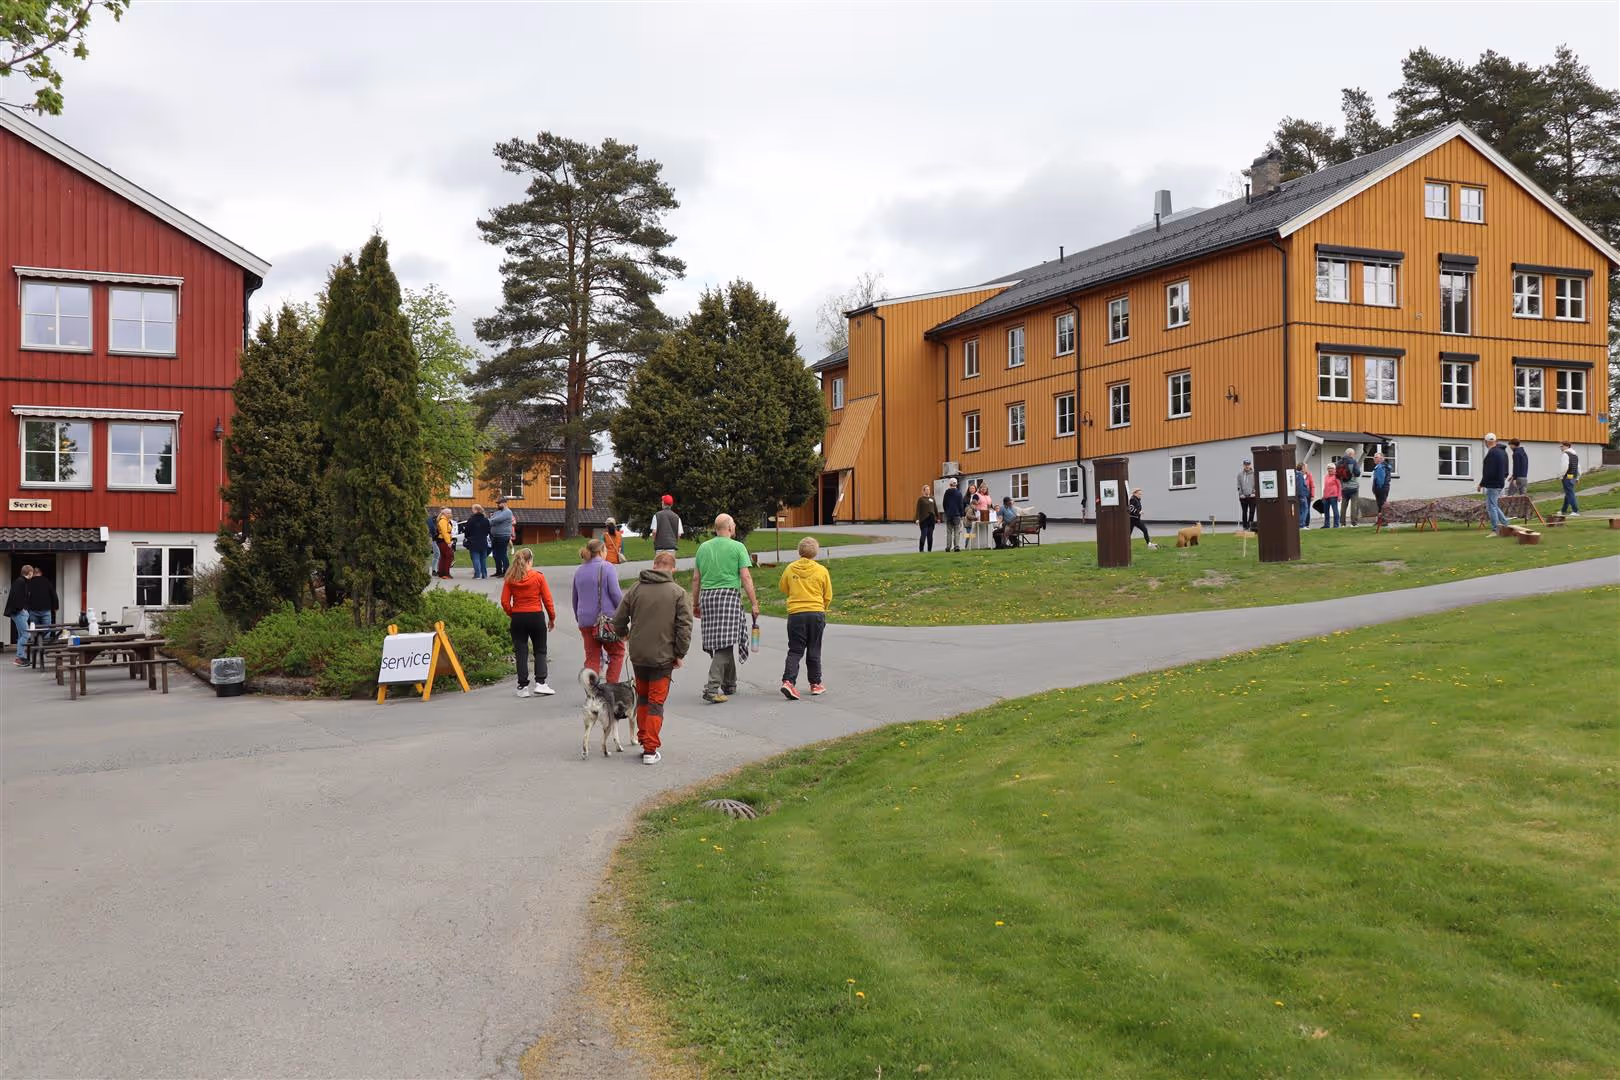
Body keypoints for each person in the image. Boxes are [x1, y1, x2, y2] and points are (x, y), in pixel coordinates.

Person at [611, 550, 692, 765]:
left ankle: (644, 739)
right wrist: (680, 653)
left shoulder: (635, 589)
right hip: (663, 657)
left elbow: (617, 620)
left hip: (638, 656)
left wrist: (626, 636)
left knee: (644, 698)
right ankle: (650, 748)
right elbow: (684, 628)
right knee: (656, 702)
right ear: (673, 568)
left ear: (654, 565)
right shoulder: (678, 593)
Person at [690, 513, 758, 704]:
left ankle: (730, 684)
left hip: (708, 597)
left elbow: (696, 578)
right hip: (728, 596)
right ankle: (712, 688)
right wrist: (754, 603)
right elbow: (745, 577)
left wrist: (695, 603)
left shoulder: (703, 548)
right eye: (734, 524)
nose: (735, 527)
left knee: (723, 639)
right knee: (726, 643)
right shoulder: (738, 547)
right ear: (729, 528)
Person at [778, 536, 832, 700]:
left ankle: (788, 681)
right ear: (816, 552)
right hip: (816, 613)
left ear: (799, 551)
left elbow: (783, 587)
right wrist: (822, 609)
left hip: (796, 614)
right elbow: (827, 595)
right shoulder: (821, 570)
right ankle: (815, 683)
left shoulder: (790, 568)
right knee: (814, 649)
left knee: (795, 649)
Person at [500, 547, 556, 696]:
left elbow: (505, 602)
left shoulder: (510, 578)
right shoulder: (538, 577)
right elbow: (547, 600)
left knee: (521, 651)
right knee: (540, 649)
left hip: (518, 617)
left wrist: (514, 614)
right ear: (530, 560)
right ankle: (541, 683)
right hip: (536, 615)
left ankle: (523, 687)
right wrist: (552, 617)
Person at [572, 538, 626, 684]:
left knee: (592, 657)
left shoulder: (579, 571)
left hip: (585, 621)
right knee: (617, 652)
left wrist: (580, 618)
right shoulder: (607, 567)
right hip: (606, 620)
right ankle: (611, 687)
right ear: (602, 551)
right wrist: (625, 614)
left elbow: (575, 599)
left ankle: (592, 692)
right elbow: (615, 594)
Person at [1478, 433, 1510, 535]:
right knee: (1494, 505)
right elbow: (1506, 469)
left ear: (1486, 442)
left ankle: (1495, 530)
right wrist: (1503, 477)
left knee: (1491, 507)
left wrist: (1481, 484)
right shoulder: (1503, 452)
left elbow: (1488, 472)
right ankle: (1505, 524)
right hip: (1500, 482)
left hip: (1492, 484)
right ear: (1496, 440)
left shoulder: (1492, 453)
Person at [6, 564, 35, 666]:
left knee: (21, 635)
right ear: (29, 573)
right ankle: (19, 657)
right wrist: (22, 609)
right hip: (19, 612)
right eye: (32, 573)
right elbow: (18, 597)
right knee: (25, 634)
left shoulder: (20, 581)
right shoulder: (21, 582)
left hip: (18, 612)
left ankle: (21, 657)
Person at [463, 504, 492, 579]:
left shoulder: (471, 520)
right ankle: (484, 574)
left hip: (473, 541)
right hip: (483, 540)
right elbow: (488, 530)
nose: (472, 511)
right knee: (483, 558)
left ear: (476, 510)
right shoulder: (486, 520)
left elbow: (467, 531)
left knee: (475, 558)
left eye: (472, 509)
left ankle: (477, 574)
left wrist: (467, 537)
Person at [488, 497, 515, 576]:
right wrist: (491, 520)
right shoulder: (497, 512)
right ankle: (498, 571)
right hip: (495, 536)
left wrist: (489, 521)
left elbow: (496, 520)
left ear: (504, 503)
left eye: (499, 503)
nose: (498, 505)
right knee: (495, 554)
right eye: (497, 503)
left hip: (503, 536)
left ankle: (506, 571)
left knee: (502, 554)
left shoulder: (507, 512)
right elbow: (492, 520)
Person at [1339, 448, 1362, 527]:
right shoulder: (1353, 462)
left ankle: (1342, 523)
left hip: (1344, 487)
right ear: (1351, 454)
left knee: (1343, 505)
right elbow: (1357, 473)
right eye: (1353, 454)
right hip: (1353, 487)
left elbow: (1337, 475)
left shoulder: (1339, 462)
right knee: (1354, 505)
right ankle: (1353, 523)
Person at [1557, 441, 1581, 516]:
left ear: (1566, 446)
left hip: (1567, 476)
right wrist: (1577, 477)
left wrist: (1561, 476)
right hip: (1573, 476)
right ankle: (1563, 510)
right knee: (1568, 493)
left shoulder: (1565, 454)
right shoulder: (1575, 455)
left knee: (1570, 493)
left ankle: (1575, 510)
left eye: (1562, 446)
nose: (1561, 448)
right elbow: (1578, 467)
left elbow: (1565, 467)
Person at [941, 478, 966, 552]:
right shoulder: (958, 493)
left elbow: (944, 503)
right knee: (956, 531)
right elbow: (961, 505)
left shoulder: (946, 492)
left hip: (949, 515)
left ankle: (948, 547)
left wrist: (946, 512)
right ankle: (956, 546)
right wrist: (962, 514)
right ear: (956, 484)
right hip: (956, 514)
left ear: (950, 484)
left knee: (949, 531)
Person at [1370, 453, 1393, 522]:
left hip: (1381, 489)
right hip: (1384, 488)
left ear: (1381, 459)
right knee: (1382, 505)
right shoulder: (1385, 466)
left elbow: (1380, 480)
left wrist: (1377, 489)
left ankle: (1383, 521)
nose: (1374, 459)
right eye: (1374, 457)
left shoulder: (1380, 466)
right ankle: (1380, 521)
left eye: (1376, 457)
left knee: (1381, 505)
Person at [434, 507, 456, 579]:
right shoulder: (443, 521)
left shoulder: (446, 520)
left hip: (443, 540)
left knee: (444, 557)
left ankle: (442, 573)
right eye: (448, 513)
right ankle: (446, 573)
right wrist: (448, 542)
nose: (450, 514)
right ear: (444, 514)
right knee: (448, 556)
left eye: (450, 513)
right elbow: (444, 532)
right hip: (443, 540)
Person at [915, 484, 938, 553]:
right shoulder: (921, 499)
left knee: (930, 535)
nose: (928, 491)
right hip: (924, 519)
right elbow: (918, 510)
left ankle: (929, 550)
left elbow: (935, 508)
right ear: (923, 491)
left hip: (931, 519)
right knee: (924, 534)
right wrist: (917, 519)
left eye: (929, 489)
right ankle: (921, 550)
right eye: (926, 489)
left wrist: (938, 517)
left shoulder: (932, 498)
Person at [1236, 459, 1257, 530]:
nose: (1247, 466)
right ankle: (1245, 526)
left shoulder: (1254, 474)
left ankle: (1250, 524)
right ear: (1243, 465)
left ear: (1250, 465)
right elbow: (1238, 485)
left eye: (1248, 464)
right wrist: (1240, 494)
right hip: (1243, 497)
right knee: (1244, 511)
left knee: (1252, 511)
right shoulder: (1240, 475)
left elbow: (1256, 485)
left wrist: (1254, 492)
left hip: (1252, 496)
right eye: (1245, 464)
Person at [1320, 460, 1341, 528]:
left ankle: (1336, 525)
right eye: (1328, 468)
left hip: (1334, 496)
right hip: (1326, 496)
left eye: (1331, 468)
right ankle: (1326, 525)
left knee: (1335, 511)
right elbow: (1325, 487)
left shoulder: (1336, 476)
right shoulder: (1326, 476)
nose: (1329, 470)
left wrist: (1339, 496)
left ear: (1334, 469)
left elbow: (1339, 486)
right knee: (1326, 511)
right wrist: (1323, 496)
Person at [1296, 463, 1315, 528]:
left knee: (1304, 510)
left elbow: (1312, 486)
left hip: (1304, 495)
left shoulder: (1298, 474)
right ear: (1302, 468)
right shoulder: (1300, 475)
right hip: (1302, 495)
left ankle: (1304, 524)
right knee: (1304, 510)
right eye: (1305, 467)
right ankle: (1302, 525)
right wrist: (1302, 496)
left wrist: (1312, 495)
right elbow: (1300, 486)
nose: (1306, 469)